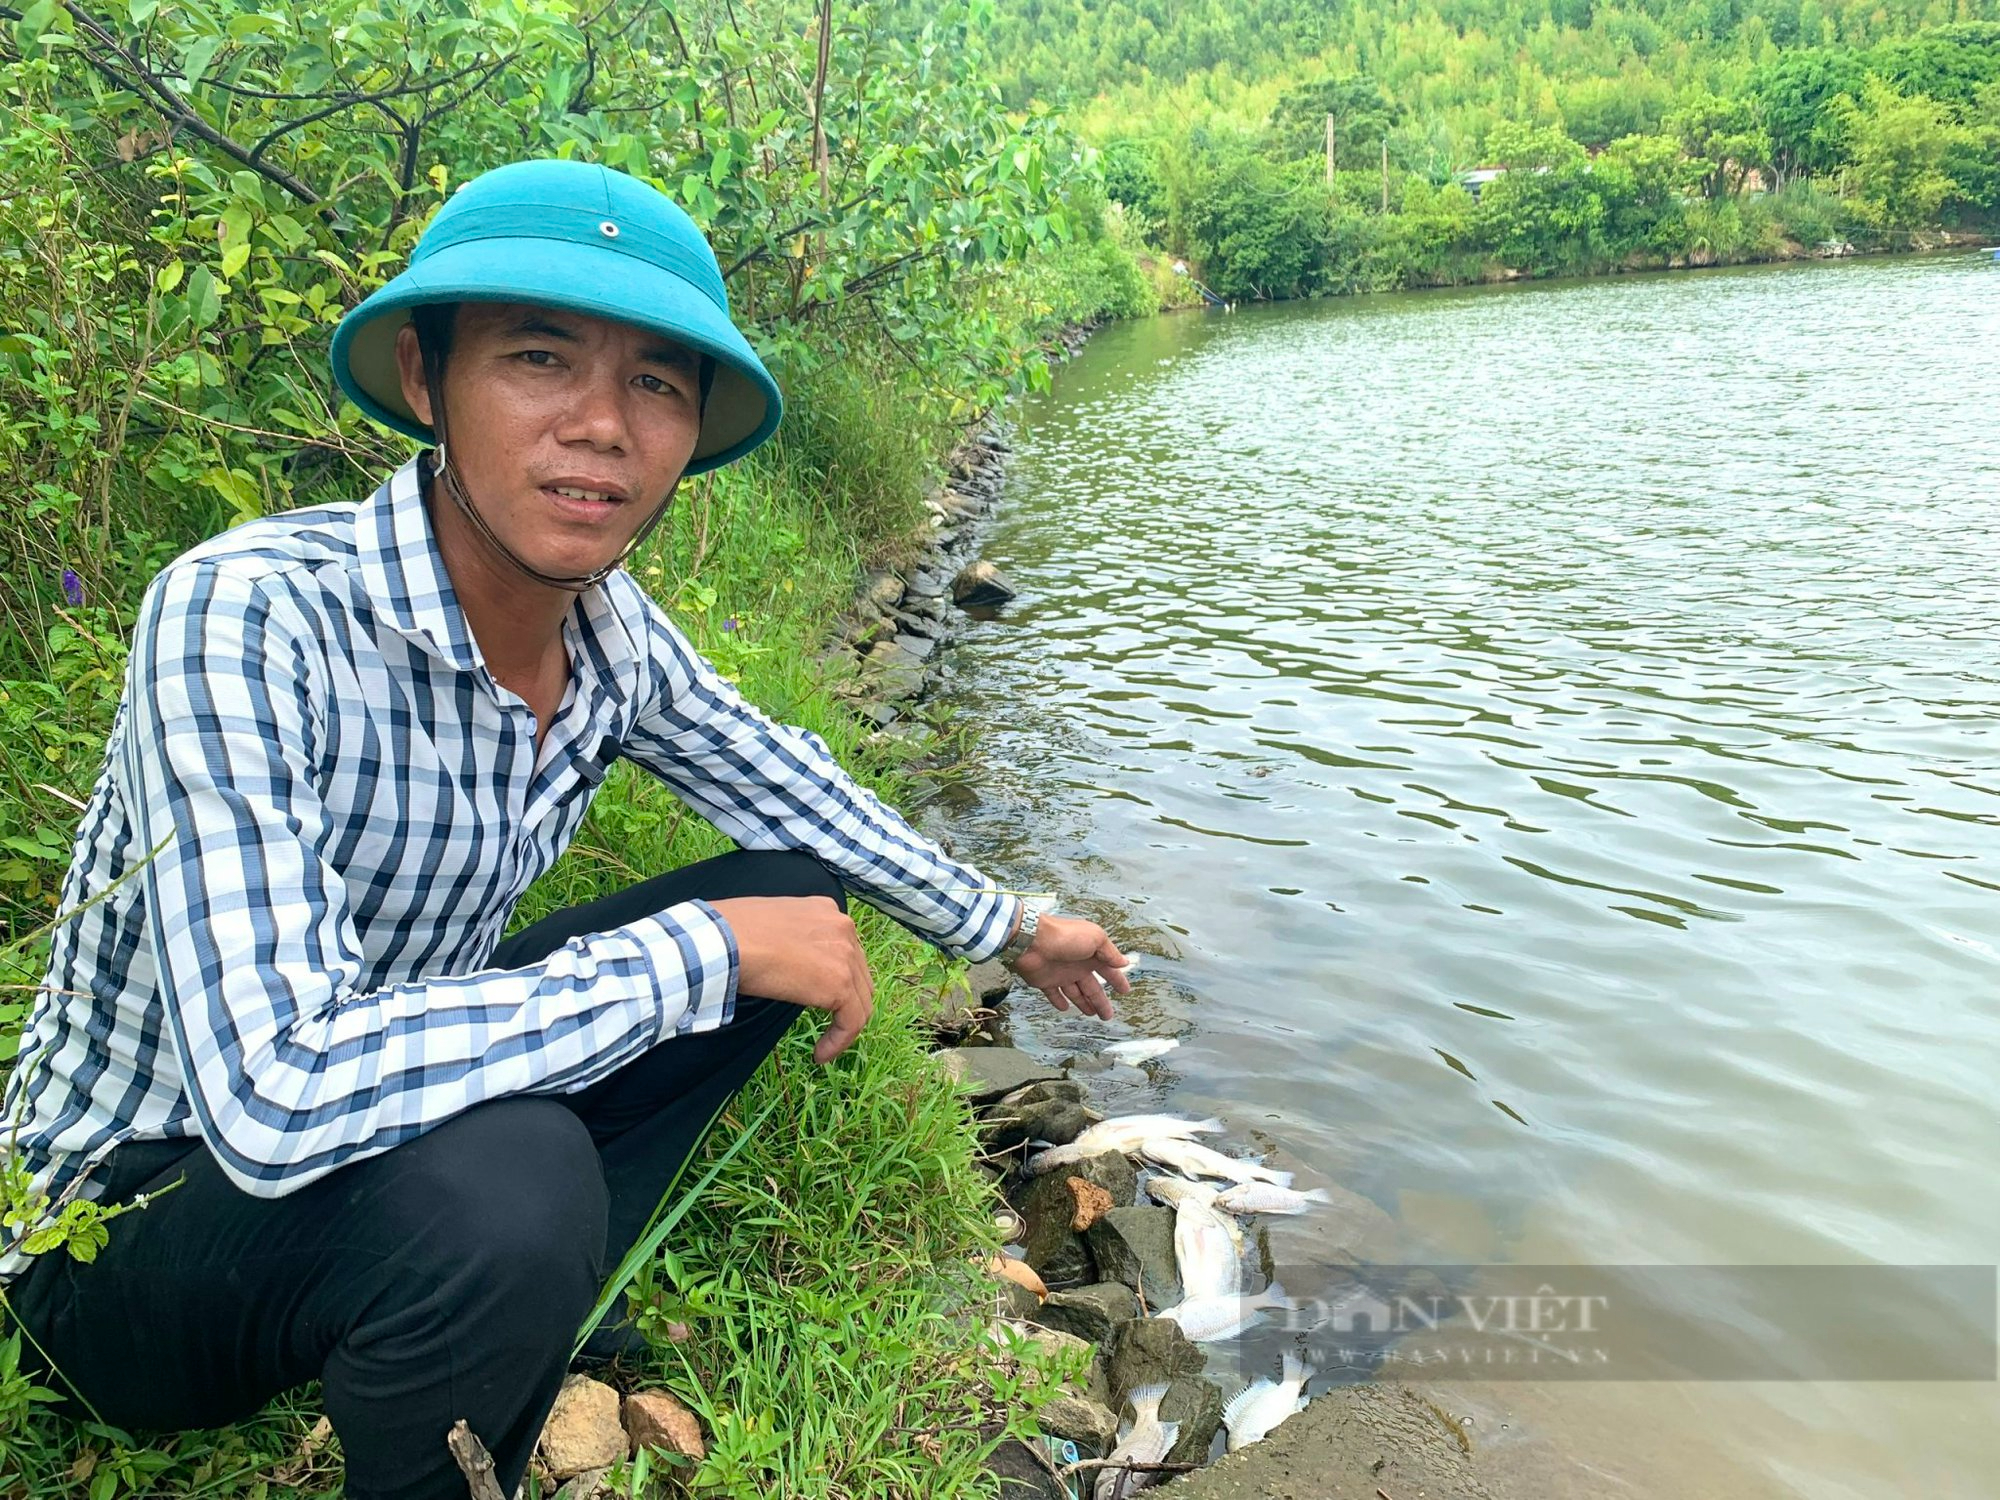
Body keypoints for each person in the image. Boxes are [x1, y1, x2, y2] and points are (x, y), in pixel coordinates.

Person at [0, 159, 1130, 1500]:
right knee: (525, 1164)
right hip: (115, 1237)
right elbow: (275, 1089)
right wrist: (702, 951)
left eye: (656, 382)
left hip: (396, 1116)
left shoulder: (607, 632)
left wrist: (1012, 926)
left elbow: (791, 786)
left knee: (790, 887)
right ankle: (474, 1329)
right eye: (540, 357)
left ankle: (523, 1287)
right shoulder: (248, 616)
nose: (601, 425)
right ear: (427, 380)